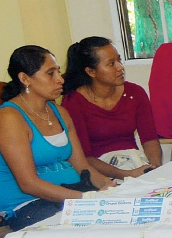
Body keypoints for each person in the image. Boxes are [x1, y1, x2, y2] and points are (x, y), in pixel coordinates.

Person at [0, 46, 110, 231]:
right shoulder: (9, 118)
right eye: (50, 73)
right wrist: (85, 200)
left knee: (118, 215)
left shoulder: (60, 112)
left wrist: (112, 189)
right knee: (91, 229)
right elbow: (29, 184)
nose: (60, 79)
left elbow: (83, 167)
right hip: (27, 205)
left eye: (58, 71)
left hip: (68, 197)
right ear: (25, 79)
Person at [60, 36, 162, 179]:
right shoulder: (73, 102)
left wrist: (154, 169)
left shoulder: (135, 93)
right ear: (91, 72)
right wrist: (126, 175)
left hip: (134, 164)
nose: (120, 67)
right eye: (111, 64)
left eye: (119, 60)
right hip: (100, 173)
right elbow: (84, 158)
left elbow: (150, 139)